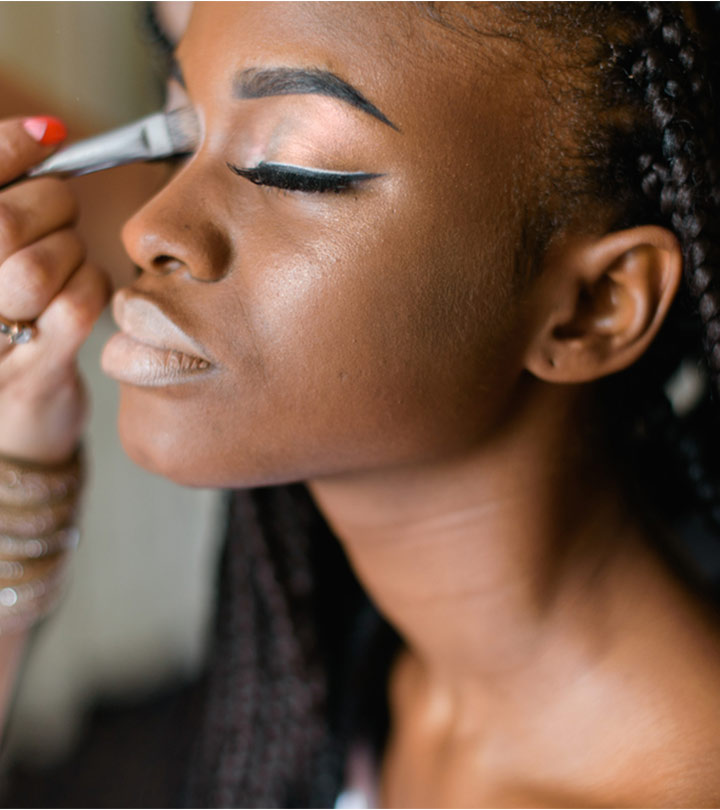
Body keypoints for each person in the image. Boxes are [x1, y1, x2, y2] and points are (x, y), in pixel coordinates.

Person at [2, 1, 720, 806]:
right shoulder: (313, 705)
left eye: (293, 168)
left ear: (595, 304)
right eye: (178, 136)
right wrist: (20, 460)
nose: (146, 227)